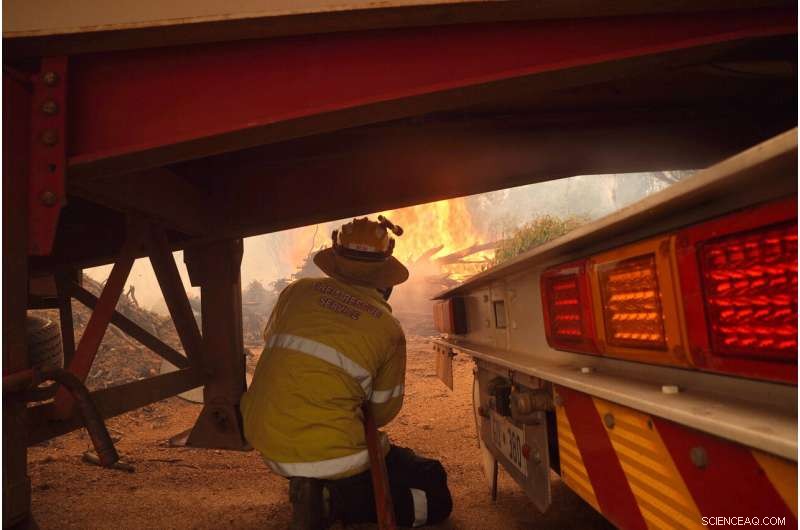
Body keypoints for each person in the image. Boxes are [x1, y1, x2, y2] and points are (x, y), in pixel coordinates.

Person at [240, 217, 453, 529]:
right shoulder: (387, 327)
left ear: (335, 262)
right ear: (385, 278)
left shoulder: (296, 293)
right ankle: (337, 503)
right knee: (433, 485)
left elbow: (273, 340)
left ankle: (316, 486)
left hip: (265, 438)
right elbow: (381, 413)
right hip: (334, 455)